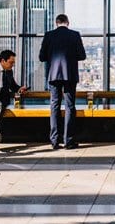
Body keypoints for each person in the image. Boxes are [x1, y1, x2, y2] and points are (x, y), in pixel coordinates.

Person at [39, 14, 86, 150]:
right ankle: (68, 141)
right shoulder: (75, 35)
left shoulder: (49, 35)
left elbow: (42, 57)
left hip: (53, 75)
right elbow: (82, 55)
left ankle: (54, 141)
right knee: (70, 106)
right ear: (68, 23)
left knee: (54, 106)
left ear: (56, 23)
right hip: (69, 75)